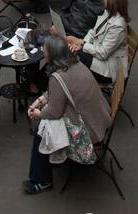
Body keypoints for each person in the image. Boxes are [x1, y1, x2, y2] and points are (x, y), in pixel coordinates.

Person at [23, 35, 112, 194]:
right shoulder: (77, 64)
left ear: (53, 55)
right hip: (100, 121)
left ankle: (41, 180)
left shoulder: (58, 77)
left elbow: (54, 112)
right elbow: (60, 91)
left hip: (89, 134)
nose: (44, 52)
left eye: (46, 49)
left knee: (41, 131)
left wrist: (38, 113)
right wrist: (41, 100)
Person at [66, 0, 131, 84]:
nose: (103, 0)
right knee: (71, 52)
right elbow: (92, 32)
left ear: (111, 2)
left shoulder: (118, 26)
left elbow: (103, 53)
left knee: (70, 57)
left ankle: (67, 89)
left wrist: (82, 44)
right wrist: (80, 44)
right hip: (100, 56)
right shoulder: (107, 12)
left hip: (109, 70)